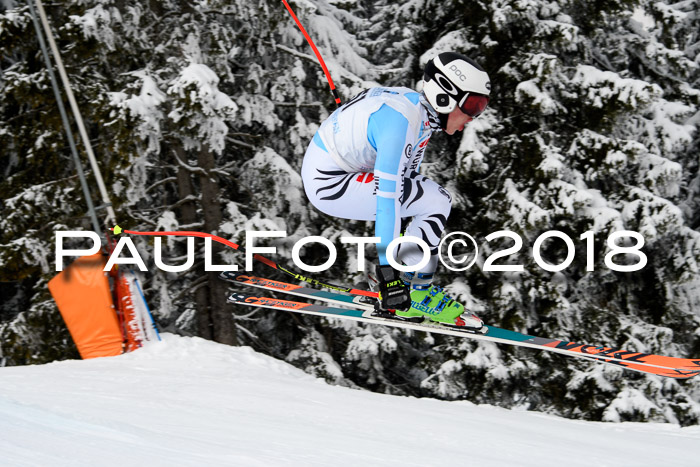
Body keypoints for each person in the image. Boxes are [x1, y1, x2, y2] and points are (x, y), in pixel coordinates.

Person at [301, 52, 490, 330]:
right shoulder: (403, 122)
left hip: (340, 170)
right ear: (444, 96)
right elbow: (388, 200)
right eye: (473, 105)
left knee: (429, 200)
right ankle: (418, 296)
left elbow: (404, 187)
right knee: (436, 201)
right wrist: (389, 273)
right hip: (330, 183)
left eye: (481, 107)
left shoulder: (417, 112)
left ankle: (413, 287)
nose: (474, 116)